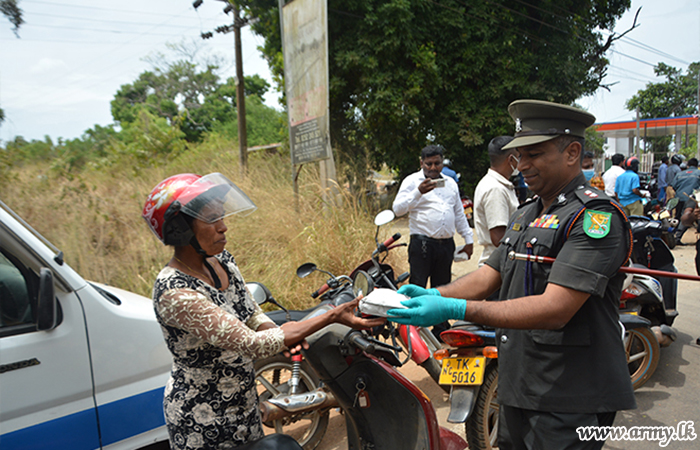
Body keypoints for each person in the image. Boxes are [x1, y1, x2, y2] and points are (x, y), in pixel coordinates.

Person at [388, 100, 636, 450]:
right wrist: (437, 295)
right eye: (519, 157)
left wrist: (456, 310)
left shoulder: (595, 218)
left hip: (569, 394)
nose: (522, 167)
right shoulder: (528, 211)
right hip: (518, 383)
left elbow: (556, 308)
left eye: (534, 154)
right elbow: (491, 273)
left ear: (572, 152)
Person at [142, 173, 384, 450]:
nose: (224, 227)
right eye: (212, 219)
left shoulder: (221, 261)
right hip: (202, 418)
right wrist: (330, 316)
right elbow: (251, 345)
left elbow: (252, 313)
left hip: (243, 405)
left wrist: (283, 332)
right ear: (179, 230)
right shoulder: (175, 292)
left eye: (222, 216)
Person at [392, 144, 474, 288]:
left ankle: (438, 311)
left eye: (437, 163)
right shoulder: (412, 182)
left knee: (442, 290)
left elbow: (459, 214)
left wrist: (468, 239)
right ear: (421, 163)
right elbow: (398, 209)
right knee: (418, 288)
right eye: (428, 164)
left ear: (443, 162)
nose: (433, 168)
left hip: (446, 246)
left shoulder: (451, 184)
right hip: (422, 245)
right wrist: (418, 192)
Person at [473, 135, 519, 268]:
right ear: (511, 159)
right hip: (499, 264)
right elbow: (499, 238)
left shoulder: (499, 185)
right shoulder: (495, 189)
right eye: (519, 157)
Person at [670, 157, 700, 242]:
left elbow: (674, 185)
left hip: (679, 198)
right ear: (697, 165)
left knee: (678, 217)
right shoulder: (698, 173)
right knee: (687, 216)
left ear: (687, 165)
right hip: (691, 199)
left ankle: (672, 235)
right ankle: (677, 238)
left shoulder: (680, 174)